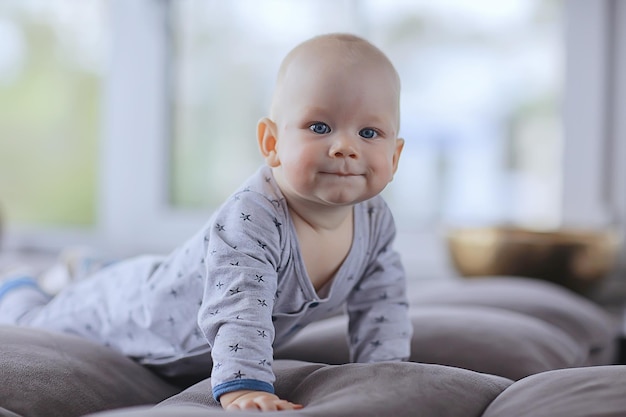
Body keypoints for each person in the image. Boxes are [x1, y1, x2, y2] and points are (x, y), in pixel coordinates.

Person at [0, 33, 412, 412]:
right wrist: (245, 385)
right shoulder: (255, 217)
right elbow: (240, 306)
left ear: (394, 157)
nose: (344, 147)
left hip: (174, 282)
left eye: (369, 132)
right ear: (272, 143)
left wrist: (387, 370)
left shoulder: (374, 221)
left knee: (128, 278)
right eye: (319, 127)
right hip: (144, 316)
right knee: (44, 319)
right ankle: (19, 286)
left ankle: (87, 269)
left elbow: (383, 301)